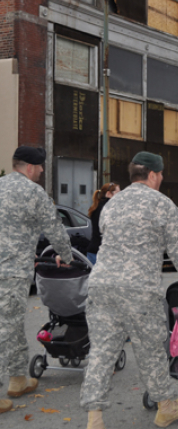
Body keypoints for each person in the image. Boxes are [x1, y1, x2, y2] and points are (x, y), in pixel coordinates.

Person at [80, 152, 178, 429]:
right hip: (139, 289)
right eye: (160, 175)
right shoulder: (162, 204)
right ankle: (166, 407)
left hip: (101, 286)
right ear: (152, 175)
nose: (161, 180)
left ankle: (94, 419)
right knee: (151, 350)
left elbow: (104, 234)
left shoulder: (111, 204)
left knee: (101, 352)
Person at [0, 147, 73, 415]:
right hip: (11, 271)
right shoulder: (33, 192)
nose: (42, 171)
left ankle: (18, 379)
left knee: (13, 323)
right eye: (41, 166)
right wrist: (65, 255)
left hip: (9, 267)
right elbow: (54, 228)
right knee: (4, 328)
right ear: (30, 167)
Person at [86, 182, 120, 265]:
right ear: (109, 194)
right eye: (118, 193)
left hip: (93, 250)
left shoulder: (96, 207)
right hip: (104, 254)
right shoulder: (109, 208)